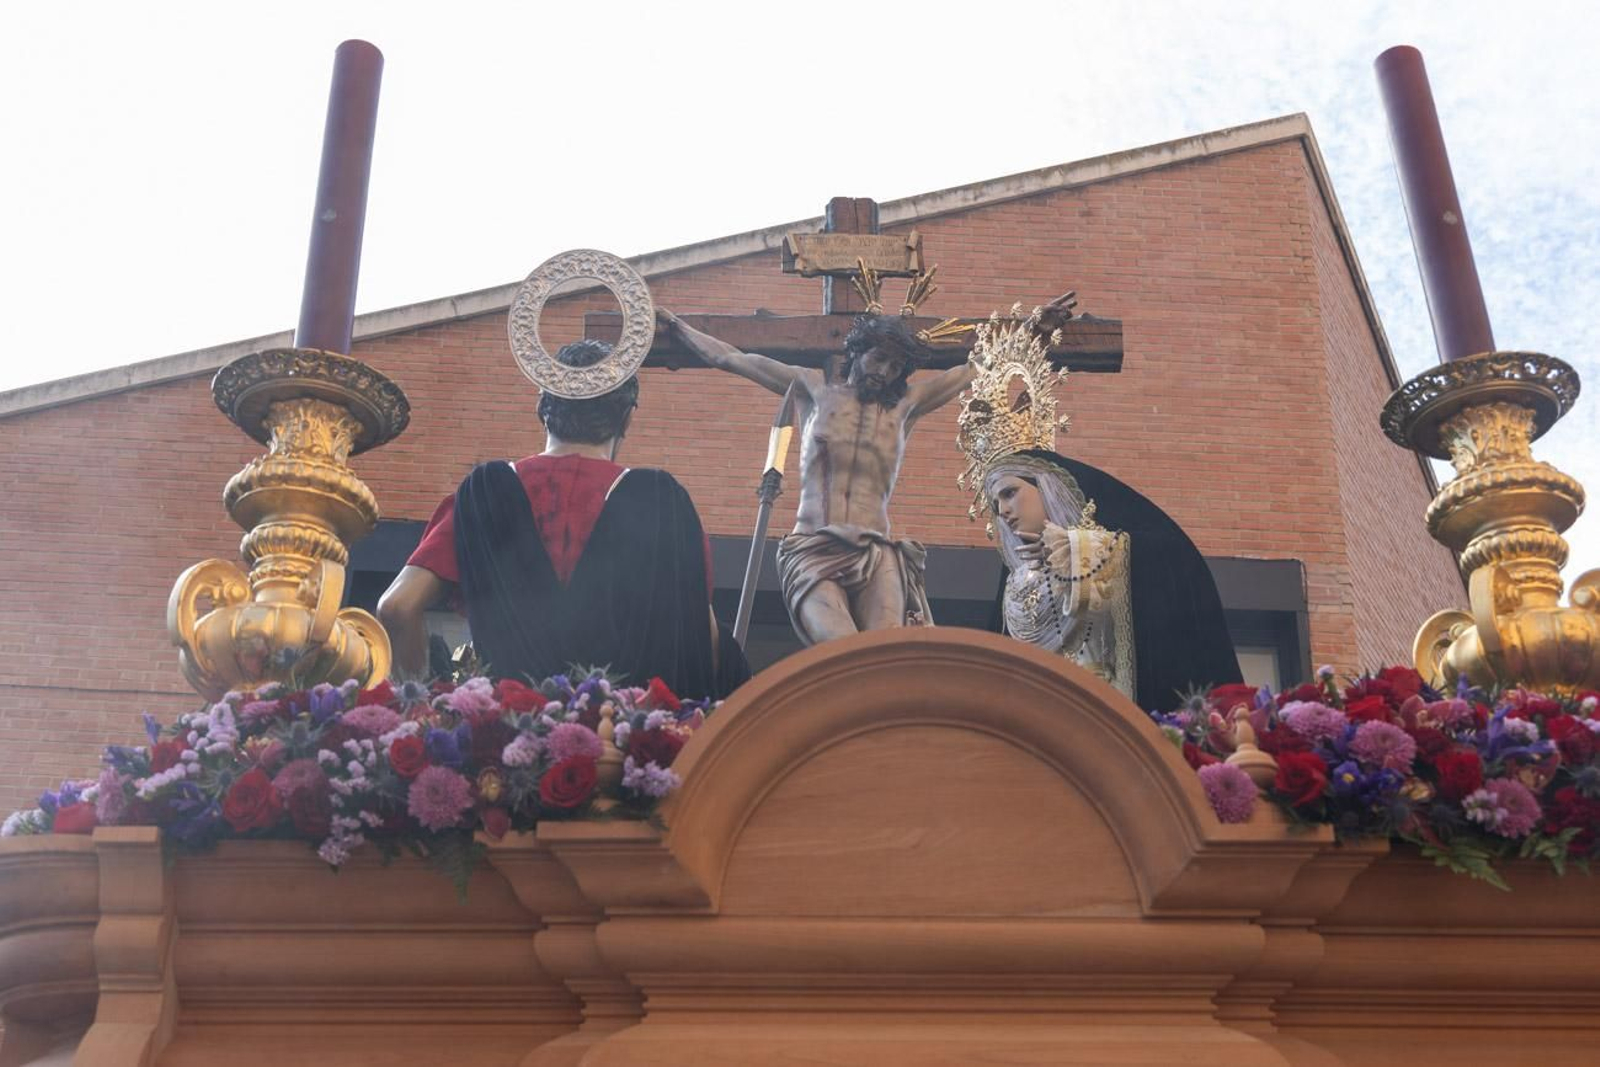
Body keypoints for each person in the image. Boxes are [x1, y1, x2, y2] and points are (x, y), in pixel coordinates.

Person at [377, 339, 749, 699]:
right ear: (626, 417)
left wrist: (422, 707)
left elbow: (396, 608)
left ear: (543, 405)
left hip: (506, 740)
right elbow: (703, 640)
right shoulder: (662, 501)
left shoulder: (483, 493)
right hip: (624, 743)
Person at [984, 450, 1242, 708]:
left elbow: (1169, 559)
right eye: (996, 505)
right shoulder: (1015, 585)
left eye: (1010, 493)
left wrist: (1076, 554)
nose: (1004, 511)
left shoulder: (1102, 548)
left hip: (1106, 713)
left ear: (1046, 485)